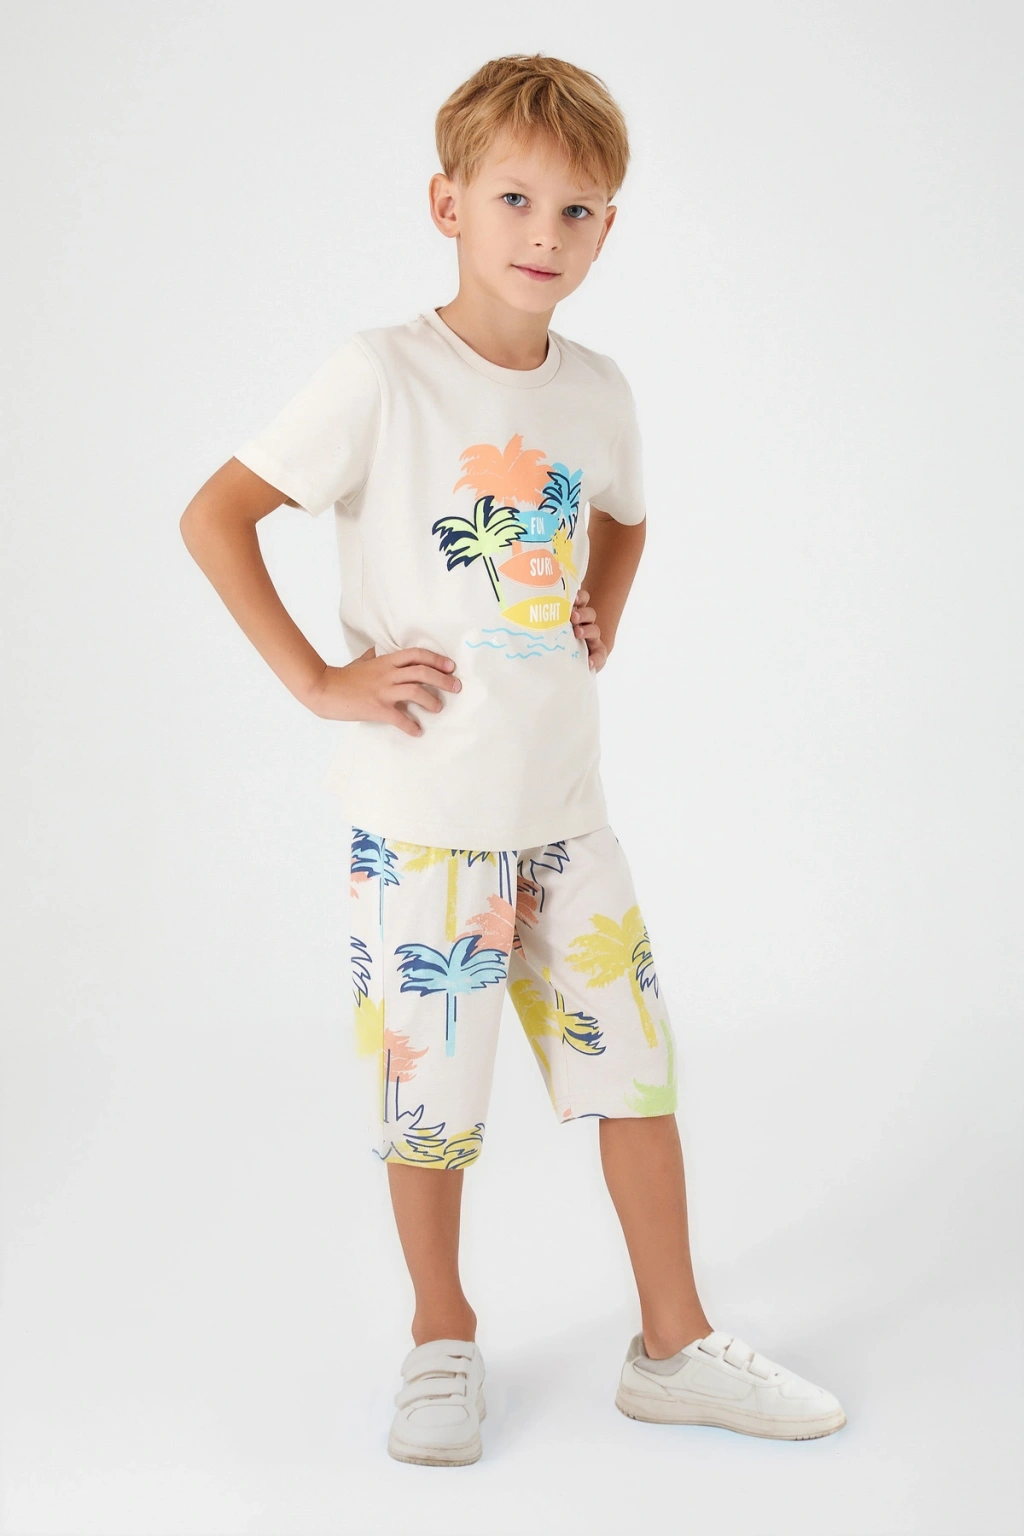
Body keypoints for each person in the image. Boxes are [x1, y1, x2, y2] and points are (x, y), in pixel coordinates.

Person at [180, 52, 846, 1467]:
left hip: (567, 816)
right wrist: (320, 682)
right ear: (449, 204)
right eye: (516, 200)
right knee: (429, 1106)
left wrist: (600, 612)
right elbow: (215, 517)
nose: (546, 234)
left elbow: (628, 519)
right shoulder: (381, 374)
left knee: (636, 1078)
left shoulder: (597, 391)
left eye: (578, 211)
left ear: (608, 229)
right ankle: (442, 1336)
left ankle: (674, 1344)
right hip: (424, 815)